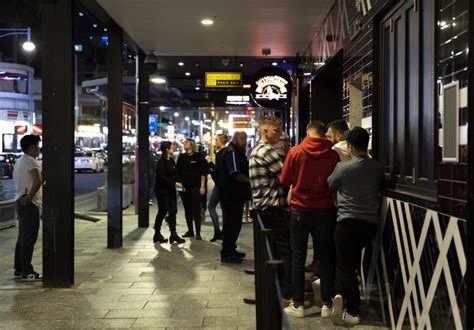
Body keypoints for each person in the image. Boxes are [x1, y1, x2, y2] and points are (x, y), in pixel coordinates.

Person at [280, 121, 340, 318]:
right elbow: (335, 183)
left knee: (298, 257)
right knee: (325, 258)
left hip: (299, 210)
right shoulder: (332, 154)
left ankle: (297, 305)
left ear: (308, 132)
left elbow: (284, 181)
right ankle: (326, 305)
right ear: (324, 134)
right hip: (325, 210)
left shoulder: (296, 151)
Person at [328, 127, 383, 326]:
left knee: (346, 266)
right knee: (353, 264)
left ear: (349, 146)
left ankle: (351, 310)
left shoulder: (344, 167)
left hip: (347, 223)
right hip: (369, 224)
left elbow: (331, 184)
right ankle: (341, 294)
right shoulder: (377, 167)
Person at [249, 116, 293, 304]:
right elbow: (286, 177)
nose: (280, 133)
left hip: (264, 209)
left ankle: (276, 290)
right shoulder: (266, 151)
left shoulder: (258, 150)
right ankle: (288, 294)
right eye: (276, 130)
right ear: (265, 130)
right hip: (273, 209)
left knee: (274, 252)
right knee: (286, 251)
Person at [218, 131, 251, 263]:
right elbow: (235, 173)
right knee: (232, 224)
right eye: (241, 138)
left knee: (233, 224)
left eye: (245, 138)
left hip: (233, 195)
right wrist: (250, 180)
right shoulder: (232, 152)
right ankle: (227, 252)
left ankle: (230, 249)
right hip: (231, 195)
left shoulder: (235, 151)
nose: (244, 140)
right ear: (236, 138)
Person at [13, 134, 43, 282]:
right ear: (31, 147)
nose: (39, 148)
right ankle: (27, 271)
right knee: (29, 238)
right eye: (38, 145)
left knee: (22, 237)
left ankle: (19, 269)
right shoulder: (32, 162)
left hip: (19, 200)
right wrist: (30, 197)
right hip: (29, 203)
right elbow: (37, 181)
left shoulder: (19, 161)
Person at [153, 141, 185, 244]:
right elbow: (162, 177)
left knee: (173, 211)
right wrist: (174, 184)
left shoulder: (171, 160)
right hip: (162, 191)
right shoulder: (161, 162)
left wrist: (179, 183)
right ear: (166, 149)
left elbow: (175, 174)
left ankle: (173, 234)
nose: (173, 148)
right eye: (172, 147)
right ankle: (157, 233)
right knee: (162, 212)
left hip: (171, 190)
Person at [176, 138, 207, 240]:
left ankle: (198, 232)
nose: (184, 144)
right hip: (183, 188)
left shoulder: (198, 157)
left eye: (186, 142)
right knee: (187, 209)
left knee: (196, 209)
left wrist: (202, 186)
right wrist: (178, 189)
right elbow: (177, 173)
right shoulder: (181, 157)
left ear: (191, 145)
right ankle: (190, 230)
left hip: (195, 187)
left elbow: (203, 172)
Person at [206, 134, 228, 242]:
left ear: (220, 141)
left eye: (216, 140)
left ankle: (217, 231)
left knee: (211, 206)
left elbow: (218, 170)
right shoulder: (229, 151)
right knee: (224, 209)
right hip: (227, 185)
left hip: (220, 185)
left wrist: (209, 162)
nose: (215, 142)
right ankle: (225, 233)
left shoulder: (220, 154)